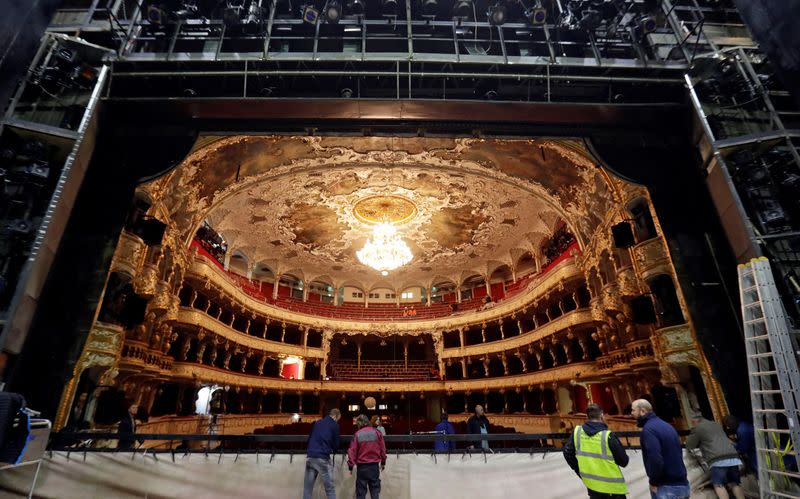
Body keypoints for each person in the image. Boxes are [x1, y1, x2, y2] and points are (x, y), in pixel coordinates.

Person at [563, 404, 629, 498]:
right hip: (613, 488)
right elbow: (624, 462)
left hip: (592, 486)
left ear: (587, 416)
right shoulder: (608, 436)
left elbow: (567, 452)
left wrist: (579, 470)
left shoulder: (577, 432)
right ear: (602, 415)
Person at [631, 399, 690, 499]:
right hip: (682, 484)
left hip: (666, 486)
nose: (631, 413)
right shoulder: (667, 426)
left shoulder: (649, 430)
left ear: (643, 411)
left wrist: (653, 481)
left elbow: (655, 459)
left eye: (633, 410)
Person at [687, 412, 745, 499]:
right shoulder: (716, 424)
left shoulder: (698, 428)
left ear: (696, 421)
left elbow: (689, 445)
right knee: (735, 483)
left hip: (717, 459)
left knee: (718, 485)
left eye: (692, 423)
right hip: (733, 456)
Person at [303, 408, 341, 499]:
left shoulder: (317, 423)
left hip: (311, 456)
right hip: (322, 457)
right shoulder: (334, 425)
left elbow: (310, 438)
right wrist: (335, 450)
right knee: (330, 489)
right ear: (336, 416)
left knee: (307, 489)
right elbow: (336, 444)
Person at [348, 414, 387, 499]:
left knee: (361, 493)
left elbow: (352, 451)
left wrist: (351, 466)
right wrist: (383, 462)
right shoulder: (377, 432)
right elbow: (383, 449)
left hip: (362, 468)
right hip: (374, 466)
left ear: (359, 424)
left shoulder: (357, 434)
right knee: (375, 491)